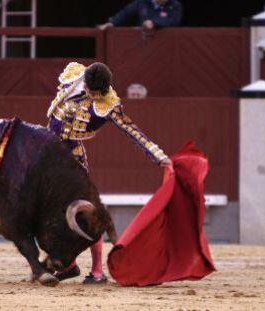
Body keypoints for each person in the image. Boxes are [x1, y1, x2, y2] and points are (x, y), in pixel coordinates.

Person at [47, 62, 172, 284]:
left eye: (97, 93)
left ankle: (96, 271)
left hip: (72, 158)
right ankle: (68, 266)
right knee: (50, 211)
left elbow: (132, 131)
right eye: (90, 90)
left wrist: (158, 155)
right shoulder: (75, 75)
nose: (92, 96)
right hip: (47, 151)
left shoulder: (108, 105)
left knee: (87, 214)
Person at [98, 0, 182, 31]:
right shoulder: (141, 2)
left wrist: (154, 23)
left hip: (165, 43)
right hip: (142, 42)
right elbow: (125, 13)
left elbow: (174, 21)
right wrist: (112, 23)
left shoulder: (175, 4)